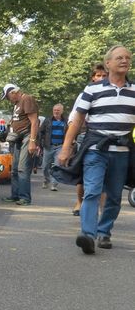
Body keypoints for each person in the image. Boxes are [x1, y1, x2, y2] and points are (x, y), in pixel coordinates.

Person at [58, 45, 135, 254]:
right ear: (108, 63)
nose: (124, 60)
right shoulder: (92, 90)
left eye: (127, 58)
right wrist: (66, 148)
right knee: (91, 191)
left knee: (113, 196)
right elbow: (77, 121)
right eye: (119, 57)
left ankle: (104, 232)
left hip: (122, 151)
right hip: (95, 149)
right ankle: (88, 235)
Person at [68, 63, 108, 216]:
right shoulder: (86, 93)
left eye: (104, 76)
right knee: (82, 175)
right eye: (98, 75)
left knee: (104, 178)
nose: (101, 78)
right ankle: (79, 201)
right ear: (93, 78)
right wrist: (70, 140)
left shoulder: (115, 92)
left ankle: (102, 212)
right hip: (86, 136)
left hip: (107, 140)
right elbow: (73, 118)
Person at [0, 83, 40, 205]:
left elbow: (34, 122)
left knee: (22, 168)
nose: (8, 99)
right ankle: (15, 195)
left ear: (13, 92)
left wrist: (32, 142)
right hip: (18, 138)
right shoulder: (17, 104)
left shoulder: (27, 99)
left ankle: (25, 198)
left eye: (7, 96)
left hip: (27, 136)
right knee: (15, 169)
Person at [39, 103, 67, 190]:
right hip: (48, 146)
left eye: (58, 110)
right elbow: (40, 132)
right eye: (55, 110)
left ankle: (54, 184)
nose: (56, 112)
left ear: (62, 111)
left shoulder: (66, 121)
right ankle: (46, 180)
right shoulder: (48, 120)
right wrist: (40, 143)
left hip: (60, 146)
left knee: (57, 165)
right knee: (45, 166)